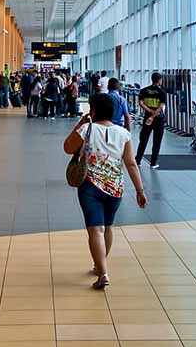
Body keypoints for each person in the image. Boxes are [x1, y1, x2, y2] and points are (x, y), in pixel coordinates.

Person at [63, 93, 147, 290]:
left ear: (93, 111)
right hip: (115, 188)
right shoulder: (123, 134)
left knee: (95, 229)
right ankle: (99, 266)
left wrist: (80, 123)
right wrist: (140, 190)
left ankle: (103, 273)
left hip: (89, 186)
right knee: (107, 228)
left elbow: (67, 148)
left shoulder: (86, 129)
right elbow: (131, 164)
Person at [134, 72, 167, 169]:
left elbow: (141, 103)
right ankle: (153, 162)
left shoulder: (144, 91)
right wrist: (153, 116)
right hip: (158, 119)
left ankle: (138, 160)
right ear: (159, 80)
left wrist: (149, 112)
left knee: (143, 139)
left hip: (147, 117)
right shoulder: (162, 92)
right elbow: (160, 107)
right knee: (157, 141)